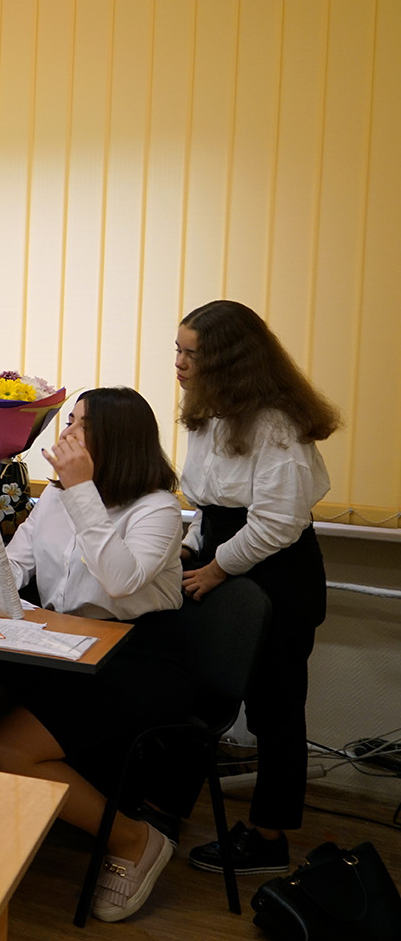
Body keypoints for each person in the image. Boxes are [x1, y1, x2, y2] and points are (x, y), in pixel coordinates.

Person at [0, 388, 187, 922]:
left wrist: (82, 491)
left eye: (80, 425)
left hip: (134, 657)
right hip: (62, 641)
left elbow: (120, 580)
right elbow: (17, 565)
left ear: (116, 440)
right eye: (70, 420)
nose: (67, 433)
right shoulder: (56, 497)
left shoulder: (158, 508)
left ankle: (134, 840)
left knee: (8, 749)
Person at [173, 300, 338, 876]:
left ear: (230, 361)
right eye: (177, 350)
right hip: (225, 561)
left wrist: (216, 568)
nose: (180, 363)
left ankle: (269, 837)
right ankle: (166, 807)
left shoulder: (275, 425)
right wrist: (189, 545)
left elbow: (277, 523)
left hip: (277, 576)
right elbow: (211, 505)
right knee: (196, 691)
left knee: (275, 710)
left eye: (192, 354)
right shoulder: (210, 412)